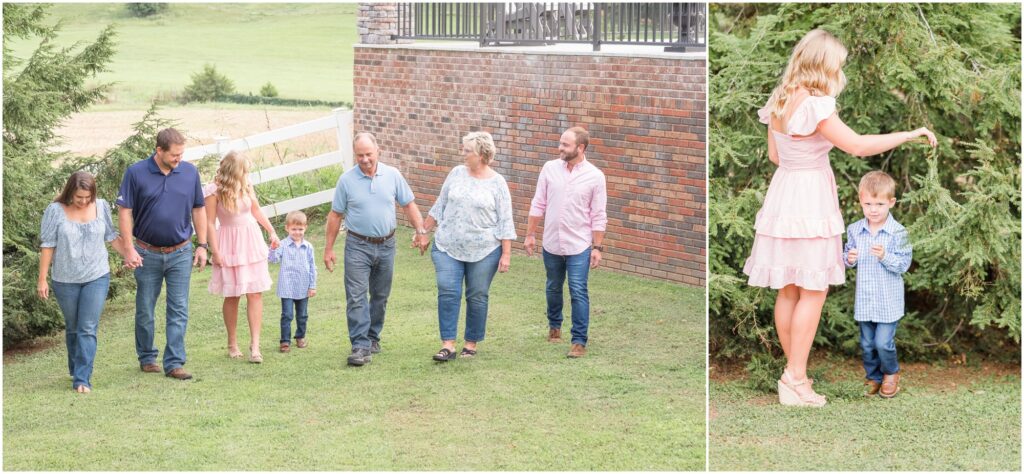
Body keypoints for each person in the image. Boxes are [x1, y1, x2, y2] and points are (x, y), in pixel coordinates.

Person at [741, 29, 936, 407]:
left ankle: (793, 374)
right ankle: (795, 378)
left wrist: (803, 159)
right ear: (825, 65)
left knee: (789, 289)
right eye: (839, 64)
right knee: (813, 290)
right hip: (810, 198)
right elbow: (859, 146)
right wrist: (909, 133)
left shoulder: (780, 99)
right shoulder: (815, 105)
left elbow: (776, 157)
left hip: (784, 195)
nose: (840, 71)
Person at [324, 132, 426, 367]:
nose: (364, 159)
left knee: (380, 296)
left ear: (377, 151)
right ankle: (360, 345)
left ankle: (372, 337)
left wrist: (421, 231)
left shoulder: (392, 175)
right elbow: (335, 215)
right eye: (359, 155)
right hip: (357, 245)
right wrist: (328, 249)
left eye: (368, 154)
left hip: (387, 245)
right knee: (356, 296)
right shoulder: (346, 180)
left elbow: (408, 204)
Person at [414, 132, 516, 362]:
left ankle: (471, 343)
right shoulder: (456, 173)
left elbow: (505, 220)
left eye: (467, 150)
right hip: (448, 245)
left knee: (477, 295)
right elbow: (441, 204)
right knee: (448, 290)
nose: (463, 153)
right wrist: (423, 231)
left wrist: (506, 253)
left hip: (485, 250)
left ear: (481, 155)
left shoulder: (497, 183)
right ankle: (447, 345)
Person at [117, 128, 209, 380]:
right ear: (159, 150)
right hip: (146, 253)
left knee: (179, 308)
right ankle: (147, 357)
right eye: (174, 155)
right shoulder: (136, 173)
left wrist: (203, 245)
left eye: (181, 154)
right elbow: (125, 211)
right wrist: (128, 248)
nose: (179, 159)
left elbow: (199, 208)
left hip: (181, 251)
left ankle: (174, 362)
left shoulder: (189, 172)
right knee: (145, 307)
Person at [37, 172, 129, 393]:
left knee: (87, 328)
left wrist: (129, 254)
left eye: (88, 197)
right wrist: (42, 279)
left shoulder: (101, 206)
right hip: (65, 279)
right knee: (73, 327)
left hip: (97, 275)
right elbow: (48, 245)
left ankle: (82, 378)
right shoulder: (55, 211)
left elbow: (111, 236)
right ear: (70, 192)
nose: (84, 201)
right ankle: (76, 367)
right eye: (79, 197)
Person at [524, 126, 608, 359]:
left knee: (578, 290)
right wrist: (530, 234)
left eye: (565, 145)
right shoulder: (549, 169)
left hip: (579, 245)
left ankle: (579, 341)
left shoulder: (595, 176)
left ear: (580, 148)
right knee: (553, 286)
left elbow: (598, 214)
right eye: (560, 143)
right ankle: (554, 325)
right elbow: (538, 202)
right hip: (551, 243)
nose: (560, 148)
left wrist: (597, 247)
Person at [843, 171, 912, 398]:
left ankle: (891, 374)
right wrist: (849, 259)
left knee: (883, 343)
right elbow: (847, 256)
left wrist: (884, 257)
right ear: (861, 201)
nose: (873, 209)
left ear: (891, 202)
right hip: (865, 298)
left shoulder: (898, 233)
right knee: (867, 344)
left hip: (887, 301)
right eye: (868, 204)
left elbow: (903, 265)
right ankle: (873, 376)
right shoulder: (855, 230)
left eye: (879, 204)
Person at [205, 151, 278, 363]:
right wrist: (215, 251)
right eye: (243, 170)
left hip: (251, 240)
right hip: (229, 242)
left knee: (255, 293)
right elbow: (210, 222)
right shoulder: (213, 191)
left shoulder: (246, 184)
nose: (247, 173)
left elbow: (255, 210)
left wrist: (271, 231)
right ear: (233, 171)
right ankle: (232, 343)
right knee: (233, 294)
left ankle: (255, 346)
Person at [268, 210, 317, 353]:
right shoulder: (282, 245)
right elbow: (273, 260)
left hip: (303, 286)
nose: (297, 232)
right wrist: (273, 248)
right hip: (287, 287)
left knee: (302, 315)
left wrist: (312, 286)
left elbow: (313, 267)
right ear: (287, 228)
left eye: (300, 229)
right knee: (287, 315)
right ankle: (285, 341)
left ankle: (300, 336)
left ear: (305, 228)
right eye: (294, 229)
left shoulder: (308, 247)